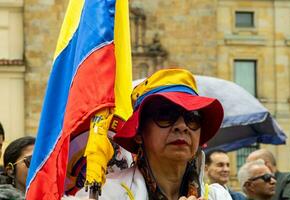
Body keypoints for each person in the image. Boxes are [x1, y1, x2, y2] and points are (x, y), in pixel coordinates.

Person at [75, 68, 232, 200]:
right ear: (139, 132)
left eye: (193, 117)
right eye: (165, 115)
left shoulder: (218, 196)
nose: (182, 126)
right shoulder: (105, 194)